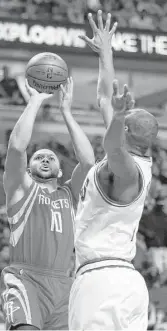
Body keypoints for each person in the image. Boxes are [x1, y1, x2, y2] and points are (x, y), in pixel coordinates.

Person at [69, 10, 159, 330]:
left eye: (125, 116)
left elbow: (114, 147)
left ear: (130, 133)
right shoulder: (129, 156)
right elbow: (104, 98)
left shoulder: (128, 172)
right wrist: (105, 52)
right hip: (122, 283)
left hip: (102, 284)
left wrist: (118, 117)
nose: (120, 111)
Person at [0, 77, 95, 330]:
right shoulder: (20, 189)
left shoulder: (70, 195)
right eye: (39, 157)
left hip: (64, 285)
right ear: (28, 169)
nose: (44, 160)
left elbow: (88, 163)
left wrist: (66, 112)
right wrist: (34, 102)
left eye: (50, 158)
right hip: (25, 278)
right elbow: (17, 148)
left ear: (60, 171)